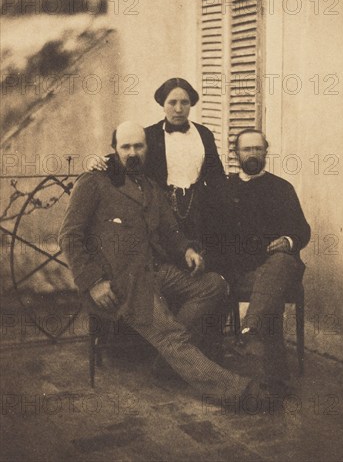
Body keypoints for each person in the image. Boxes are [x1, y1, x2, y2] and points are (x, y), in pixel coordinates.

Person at [59, 120, 260, 405]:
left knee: (214, 285)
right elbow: (69, 237)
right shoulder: (94, 184)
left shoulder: (151, 188)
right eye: (125, 146)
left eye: (138, 146)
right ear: (114, 150)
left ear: (147, 149)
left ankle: (166, 364)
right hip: (120, 283)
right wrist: (93, 282)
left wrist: (187, 250)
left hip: (155, 271)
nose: (132, 153)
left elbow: (170, 232)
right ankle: (238, 392)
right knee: (171, 334)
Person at [213, 129, 311, 392]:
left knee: (279, 264)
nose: (253, 154)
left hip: (276, 265)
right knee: (270, 294)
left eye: (258, 148)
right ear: (236, 154)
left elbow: (302, 230)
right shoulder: (224, 188)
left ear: (266, 151)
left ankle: (251, 326)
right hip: (242, 271)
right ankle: (275, 377)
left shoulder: (281, 188)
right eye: (247, 149)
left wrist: (288, 240)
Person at [89, 78, 226, 251]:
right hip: (162, 207)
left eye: (184, 102)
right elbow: (128, 159)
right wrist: (100, 162)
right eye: (172, 102)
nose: (178, 109)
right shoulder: (150, 135)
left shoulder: (204, 134)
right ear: (163, 104)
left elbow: (216, 175)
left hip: (197, 208)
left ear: (191, 104)